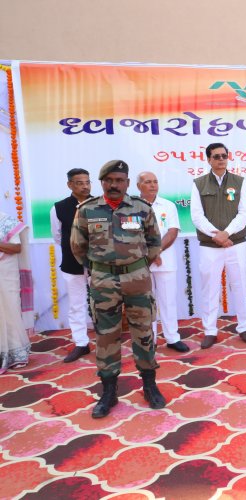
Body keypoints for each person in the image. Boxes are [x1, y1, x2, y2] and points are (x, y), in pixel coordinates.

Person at [71, 160, 166, 418]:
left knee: (144, 332)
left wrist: (137, 266)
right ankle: (109, 392)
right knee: (106, 335)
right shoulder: (87, 210)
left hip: (137, 279)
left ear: (126, 182)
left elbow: (154, 241)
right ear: (102, 182)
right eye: (109, 180)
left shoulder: (141, 208)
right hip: (103, 282)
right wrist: (100, 269)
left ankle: (149, 385)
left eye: (119, 180)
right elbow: (77, 247)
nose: (114, 185)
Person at [190, 143, 246, 348]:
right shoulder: (198, 183)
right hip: (210, 246)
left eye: (224, 156)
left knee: (240, 285)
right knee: (210, 289)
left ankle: (243, 326)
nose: (220, 160)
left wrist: (227, 233)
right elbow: (197, 216)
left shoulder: (240, 181)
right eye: (216, 156)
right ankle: (210, 330)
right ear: (208, 159)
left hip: (236, 243)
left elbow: (244, 213)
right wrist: (216, 235)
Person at [137, 172, 189, 353]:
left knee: (168, 301)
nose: (153, 185)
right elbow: (131, 235)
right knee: (145, 303)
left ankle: (172, 338)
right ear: (138, 186)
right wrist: (149, 254)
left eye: (155, 182)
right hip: (140, 262)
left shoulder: (168, 205)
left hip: (165, 262)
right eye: (148, 182)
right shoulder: (131, 207)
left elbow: (172, 232)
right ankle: (149, 339)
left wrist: (157, 251)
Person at [50, 168, 93, 363]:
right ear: (70, 185)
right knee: (76, 304)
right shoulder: (59, 207)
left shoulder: (99, 204)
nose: (85, 186)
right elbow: (58, 235)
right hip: (71, 263)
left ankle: (106, 341)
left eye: (87, 182)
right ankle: (81, 344)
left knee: (102, 303)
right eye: (79, 182)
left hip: (99, 264)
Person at [0, 212, 32, 373]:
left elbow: (16, 247)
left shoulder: (6, 220)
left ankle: (15, 354)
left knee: (10, 313)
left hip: (6, 275)